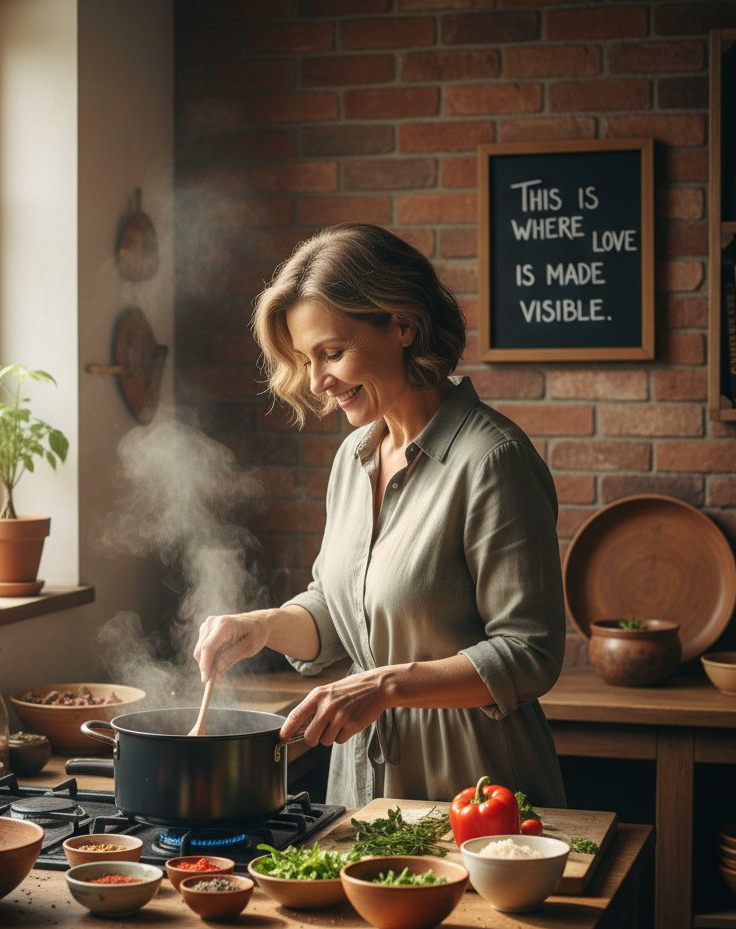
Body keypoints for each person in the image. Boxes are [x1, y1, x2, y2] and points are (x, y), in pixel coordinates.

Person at [193, 223, 566, 811]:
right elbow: (342, 609)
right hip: (361, 790)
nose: (318, 382)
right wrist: (261, 626)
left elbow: (530, 653)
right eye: (305, 360)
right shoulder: (354, 456)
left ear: (402, 324)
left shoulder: (493, 460)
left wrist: (385, 686)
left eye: (332, 353)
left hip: (476, 788)